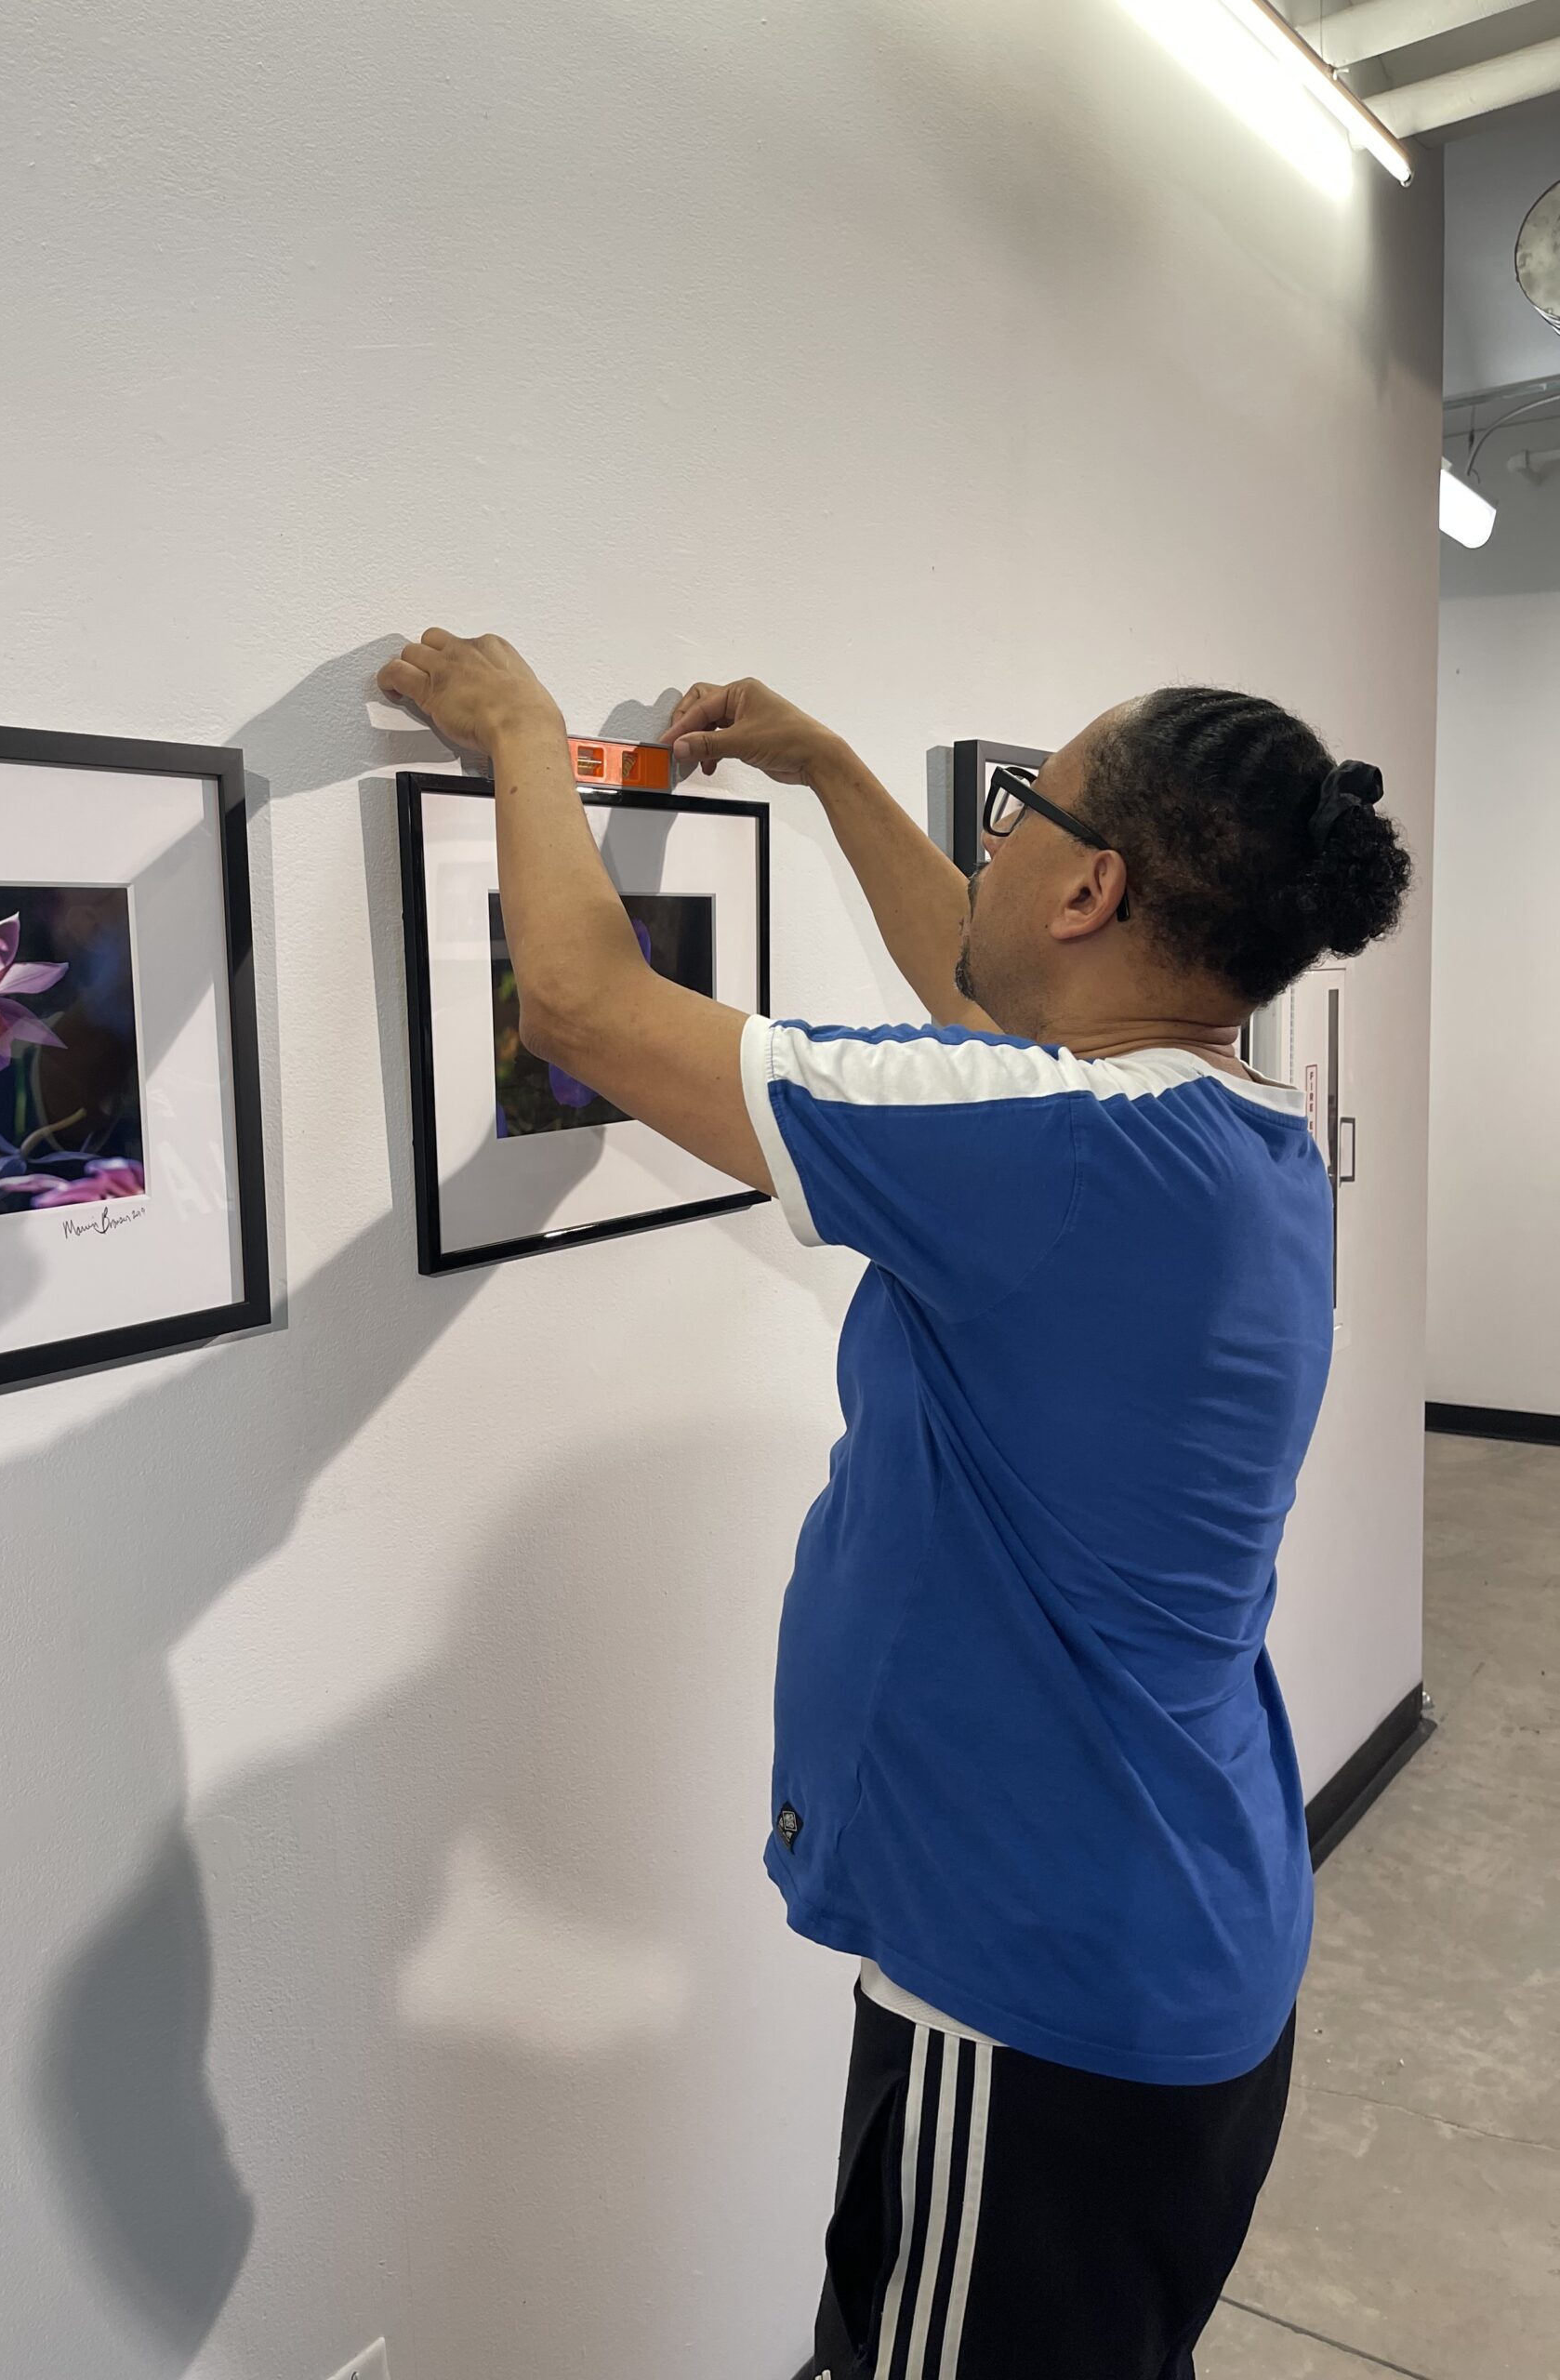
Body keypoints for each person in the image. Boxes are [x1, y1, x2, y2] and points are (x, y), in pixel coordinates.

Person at [376, 631, 1413, 2380]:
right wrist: (833, 770)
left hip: (1039, 1989)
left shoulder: (1058, 1155)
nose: (993, 844)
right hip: (1179, 1937)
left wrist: (521, 734)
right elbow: (991, 1008)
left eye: (1019, 814)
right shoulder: (1233, 1136)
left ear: (1089, 887)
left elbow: (585, 1011)